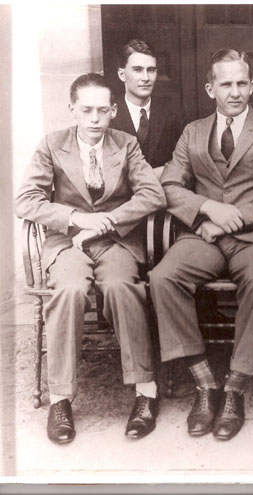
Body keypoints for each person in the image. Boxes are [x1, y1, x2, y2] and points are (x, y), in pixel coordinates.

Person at [149, 48, 253, 441]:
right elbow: (169, 185)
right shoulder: (193, 132)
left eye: (242, 83)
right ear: (210, 88)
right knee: (163, 278)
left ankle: (236, 386)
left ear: (252, 86)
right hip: (204, 235)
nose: (235, 92)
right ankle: (204, 381)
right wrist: (208, 209)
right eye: (226, 84)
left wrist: (236, 217)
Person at [14, 73, 167, 444]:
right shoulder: (52, 145)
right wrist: (77, 219)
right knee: (69, 290)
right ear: (72, 110)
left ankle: (145, 391)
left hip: (115, 241)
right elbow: (27, 200)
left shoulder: (126, 144)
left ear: (114, 110)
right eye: (86, 110)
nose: (95, 118)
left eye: (102, 110)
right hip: (68, 242)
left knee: (122, 287)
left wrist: (107, 221)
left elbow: (153, 194)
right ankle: (60, 398)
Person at [110, 39, 184, 175]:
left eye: (151, 70)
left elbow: (181, 164)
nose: (146, 78)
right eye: (137, 70)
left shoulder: (172, 112)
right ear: (122, 74)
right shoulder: (110, 115)